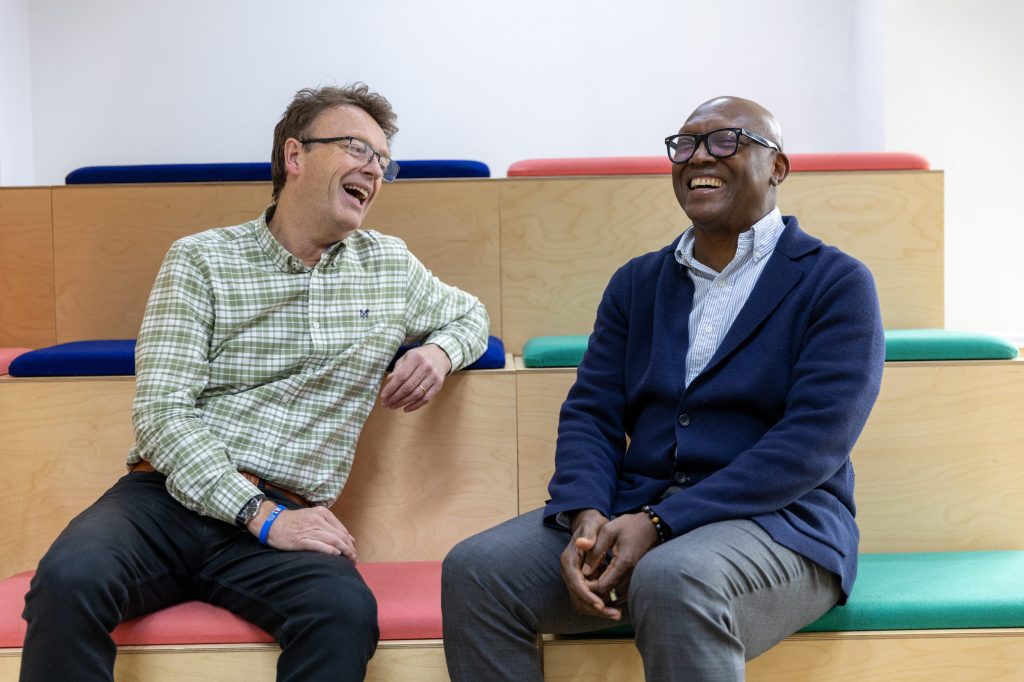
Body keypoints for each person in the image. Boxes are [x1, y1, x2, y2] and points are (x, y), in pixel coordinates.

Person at [21, 83, 489, 681]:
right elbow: (162, 414)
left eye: (383, 160)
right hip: (164, 501)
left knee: (341, 612)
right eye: (357, 148)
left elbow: (471, 315)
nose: (375, 170)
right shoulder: (201, 259)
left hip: (286, 517)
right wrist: (258, 513)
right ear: (295, 155)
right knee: (68, 581)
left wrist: (441, 352)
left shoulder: (389, 266)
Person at [442, 96, 885, 681]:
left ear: (777, 166)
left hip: (783, 524)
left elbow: (811, 444)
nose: (698, 156)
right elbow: (592, 413)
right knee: (476, 571)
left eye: (725, 141)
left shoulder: (836, 283)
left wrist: (659, 523)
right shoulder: (637, 283)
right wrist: (586, 514)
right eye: (685, 144)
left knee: (673, 577)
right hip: (637, 512)